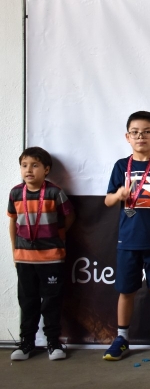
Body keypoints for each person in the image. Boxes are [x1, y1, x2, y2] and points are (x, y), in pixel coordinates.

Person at [103, 111, 150, 360]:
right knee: (126, 291)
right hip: (128, 240)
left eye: (147, 132)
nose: (140, 136)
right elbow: (108, 200)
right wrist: (118, 195)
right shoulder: (120, 166)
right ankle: (122, 338)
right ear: (128, 137)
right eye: (135, 132)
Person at [8, 147, 75, 361]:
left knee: (51, 301)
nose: (28, 170)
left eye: (35, 165)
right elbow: (13, 222)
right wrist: (14, 251)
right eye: (24, 165)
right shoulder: (15, 193)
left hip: (52, 257)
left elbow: (69, 216)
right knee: (27, 301)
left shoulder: (55, 192)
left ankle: (53, 342)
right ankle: (27, 342)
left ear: (46, 170)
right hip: (24, 258)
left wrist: (60, 236)